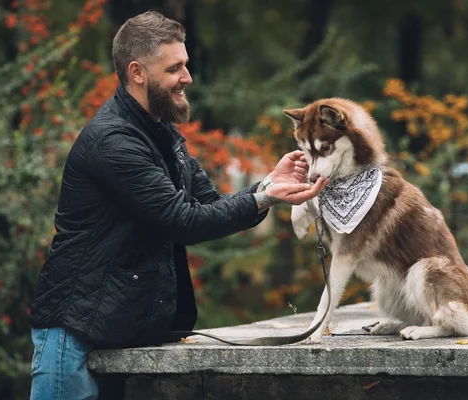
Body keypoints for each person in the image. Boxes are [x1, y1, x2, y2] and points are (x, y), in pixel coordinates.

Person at [28, 10, 329, 400]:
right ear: (137, 72)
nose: (187, 77)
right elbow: (183, 221)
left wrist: (269, 184)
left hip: (115, 332)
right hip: (74, 336)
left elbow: (208, 204)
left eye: (185, 65)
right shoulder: (114, 141)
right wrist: (264, 196)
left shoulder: (162, 133)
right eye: (175, 68)